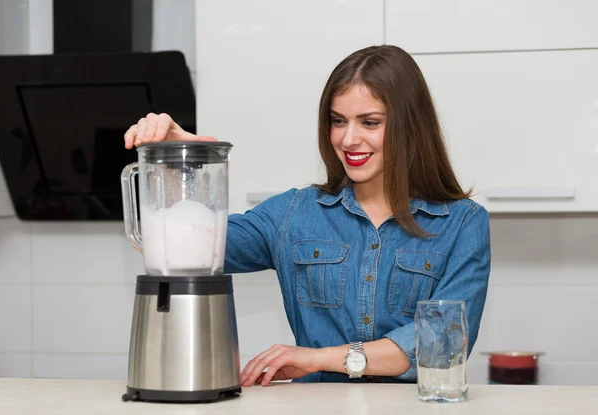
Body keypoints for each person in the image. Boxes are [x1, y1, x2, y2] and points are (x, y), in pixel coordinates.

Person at [123, 44, 491, 387]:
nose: (348, 140)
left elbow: (441, 345)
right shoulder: (293, 214)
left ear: (410, 127)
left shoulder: (462, 223)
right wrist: (178, 165)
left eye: (370, 122)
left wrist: (320, 359)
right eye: (338, 120)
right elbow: (186, 250)